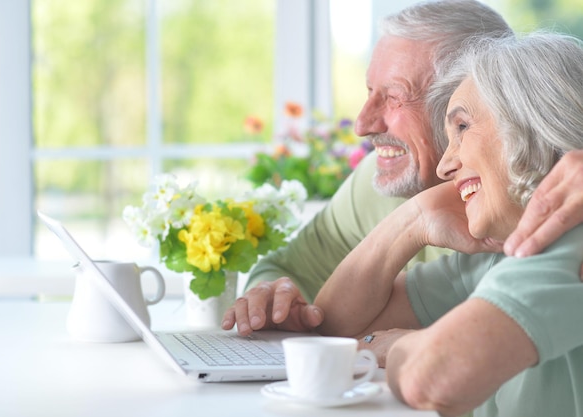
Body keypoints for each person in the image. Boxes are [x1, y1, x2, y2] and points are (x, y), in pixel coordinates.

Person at [221, 0, 583, 340]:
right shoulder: (380, 181)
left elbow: (436, 371)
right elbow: (298, 280)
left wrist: (413, 348)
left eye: (394, 96)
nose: (362, 125)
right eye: (369, 92)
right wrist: (274, 298)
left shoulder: (551, 223)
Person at [315, 32, 583, 417]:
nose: (445, 165)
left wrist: (402, 346)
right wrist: (414, 220)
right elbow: (332, 330)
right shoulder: (496, 255)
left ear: (529, 120)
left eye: (461, 127)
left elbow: (431, 380)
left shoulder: (567, 243)